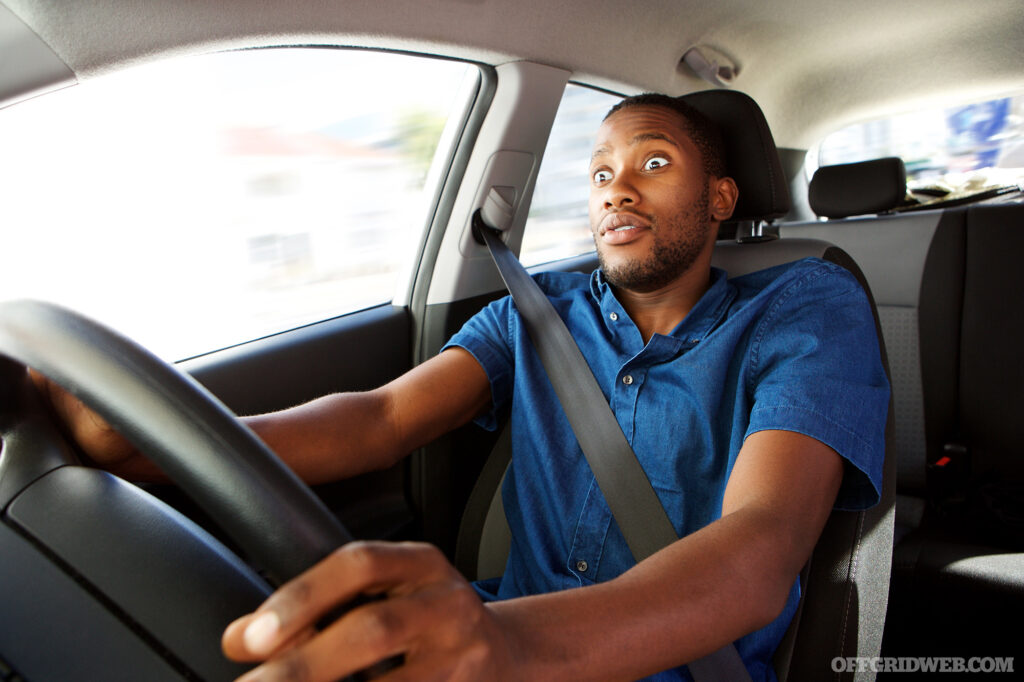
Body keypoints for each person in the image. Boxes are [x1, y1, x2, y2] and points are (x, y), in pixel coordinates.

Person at [38, 94, 889, 681]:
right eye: (599, 174)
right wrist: (151, 447)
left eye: (654, 162)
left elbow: (760, 546)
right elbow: (379, 420)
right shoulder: (540, 310)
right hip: (491, 634)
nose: (616, 189)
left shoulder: (805, 306)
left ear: (720, 197)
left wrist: (506, 647)